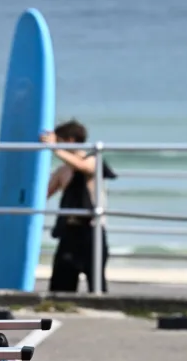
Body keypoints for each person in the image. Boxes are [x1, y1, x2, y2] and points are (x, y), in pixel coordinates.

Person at [41, 119, 117, 293]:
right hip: (69, 231)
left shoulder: (92, 159)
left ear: (70, 141)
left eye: (59, 141)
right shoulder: (62, 171)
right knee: (61, 285)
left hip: (91, 231)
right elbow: (43, 194)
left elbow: (84, 167)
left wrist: (54, 148)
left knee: (96, 282)